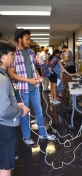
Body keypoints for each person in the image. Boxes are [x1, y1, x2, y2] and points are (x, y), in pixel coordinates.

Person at [8, 28, 56, 145]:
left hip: (34, 88)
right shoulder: (13, 53)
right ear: (20, 39)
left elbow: (33, 68)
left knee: (39, 111)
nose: (29, 41)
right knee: (25, 113)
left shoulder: (30, 52)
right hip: (22, 89)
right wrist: (28, 80)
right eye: (27, 39)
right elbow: (11, 73)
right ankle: (26, 136)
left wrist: (38, 77)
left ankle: (43, 134)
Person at [0, 40, 29, 176]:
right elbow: (3, 111)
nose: (14, 57)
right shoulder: (2, 79)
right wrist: (21, 111)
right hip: (4, 128)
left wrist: (14, 104)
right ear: (3, 57)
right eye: (12, 54)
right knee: (6, 165)